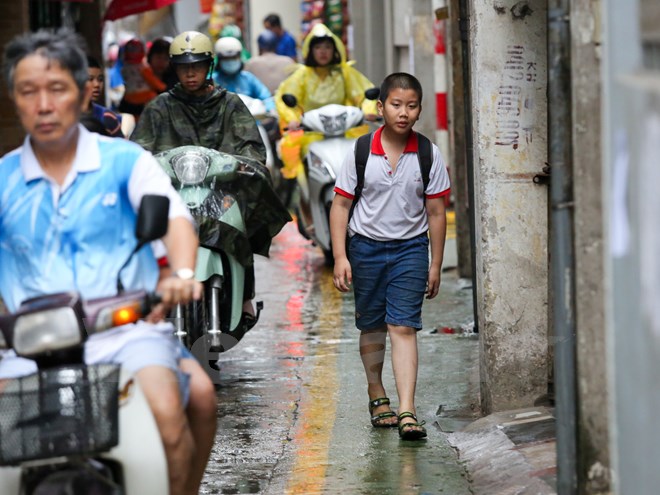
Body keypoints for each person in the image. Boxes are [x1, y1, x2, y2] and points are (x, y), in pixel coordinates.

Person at [0, 29, 217, 494]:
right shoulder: (2, 179)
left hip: (123, 332)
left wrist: (181, 274)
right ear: (15, 100)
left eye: (56, 89)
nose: (43, 104)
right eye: (28, 91)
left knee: (177, 413)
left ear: (82, 94)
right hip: (22, 344)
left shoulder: (125, 161)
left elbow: (176, 222)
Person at [131, 31, 290, 325]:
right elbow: (137, 153)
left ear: (209, 66)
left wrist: (239, 166)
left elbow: (253, 150)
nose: (191, 73)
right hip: (174, 196)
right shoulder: (159, 107)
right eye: (183, 66)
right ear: (174, 69)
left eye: (197, 65)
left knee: (241, 226)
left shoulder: (230, 104)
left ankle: (244, 296)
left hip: (222, 193)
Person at [329, 73, 451, 440]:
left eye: (411, 106)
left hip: (410, 250)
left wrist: (435, 263)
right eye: (396, 105)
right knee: (372, 325)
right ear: (381, 107)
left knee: (403, 325)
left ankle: (407, 408)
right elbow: (340, 205)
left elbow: (436, 213)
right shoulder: (362, 150)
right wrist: (340, 256)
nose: (403, 113)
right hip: (364, 247)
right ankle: (375, 391)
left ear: (419, 110)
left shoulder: (429, 153)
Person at [275, 23, 378, 180]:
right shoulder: (302, 75)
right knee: (292, 154)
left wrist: (369, 110)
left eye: (327, 47)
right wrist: (293, 119)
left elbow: (364, 93)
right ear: (311, 51)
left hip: (344, 129)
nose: (323, 51)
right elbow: (285, 97)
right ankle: (300, 194)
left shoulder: (344, 72)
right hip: (312, 132)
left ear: (335, 50)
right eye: (318, 47)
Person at [213, 36, 275, 112]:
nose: (230, 62)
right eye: (226, 58)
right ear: (219, 60)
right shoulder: (213, 81)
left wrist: (271, 109)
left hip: (250, 122)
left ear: (240, 57)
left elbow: (266, 97)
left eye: (234, 58)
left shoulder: (248, 78)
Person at [119, 37, 166, 118]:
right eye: (159, 57)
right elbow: (158, 85)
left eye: (166, 58)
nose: (161, 62)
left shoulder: (125, 68)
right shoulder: (143, 69)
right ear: (149, 56)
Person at [244, 30, 295, 95]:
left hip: (259, 103)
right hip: (283, 103)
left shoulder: (251, 63)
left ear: (259, 47)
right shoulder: (288, 62)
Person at [83, 55, 123, 137]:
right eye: (90, 79)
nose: (97, 84)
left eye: (100, 79)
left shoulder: (107, 117)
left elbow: (121, 147)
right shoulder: (65, 117)